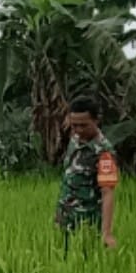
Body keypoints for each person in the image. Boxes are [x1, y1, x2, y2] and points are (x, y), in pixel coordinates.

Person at [55, 95, 119, 254]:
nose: (78, 130)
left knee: (84, 267)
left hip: (87, 222)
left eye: (84, 125)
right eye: (74, 125)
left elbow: (108, 192)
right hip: (65, 217)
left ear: (97, 120)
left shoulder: (104, 153)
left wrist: (107, 233)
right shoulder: (75, 139)